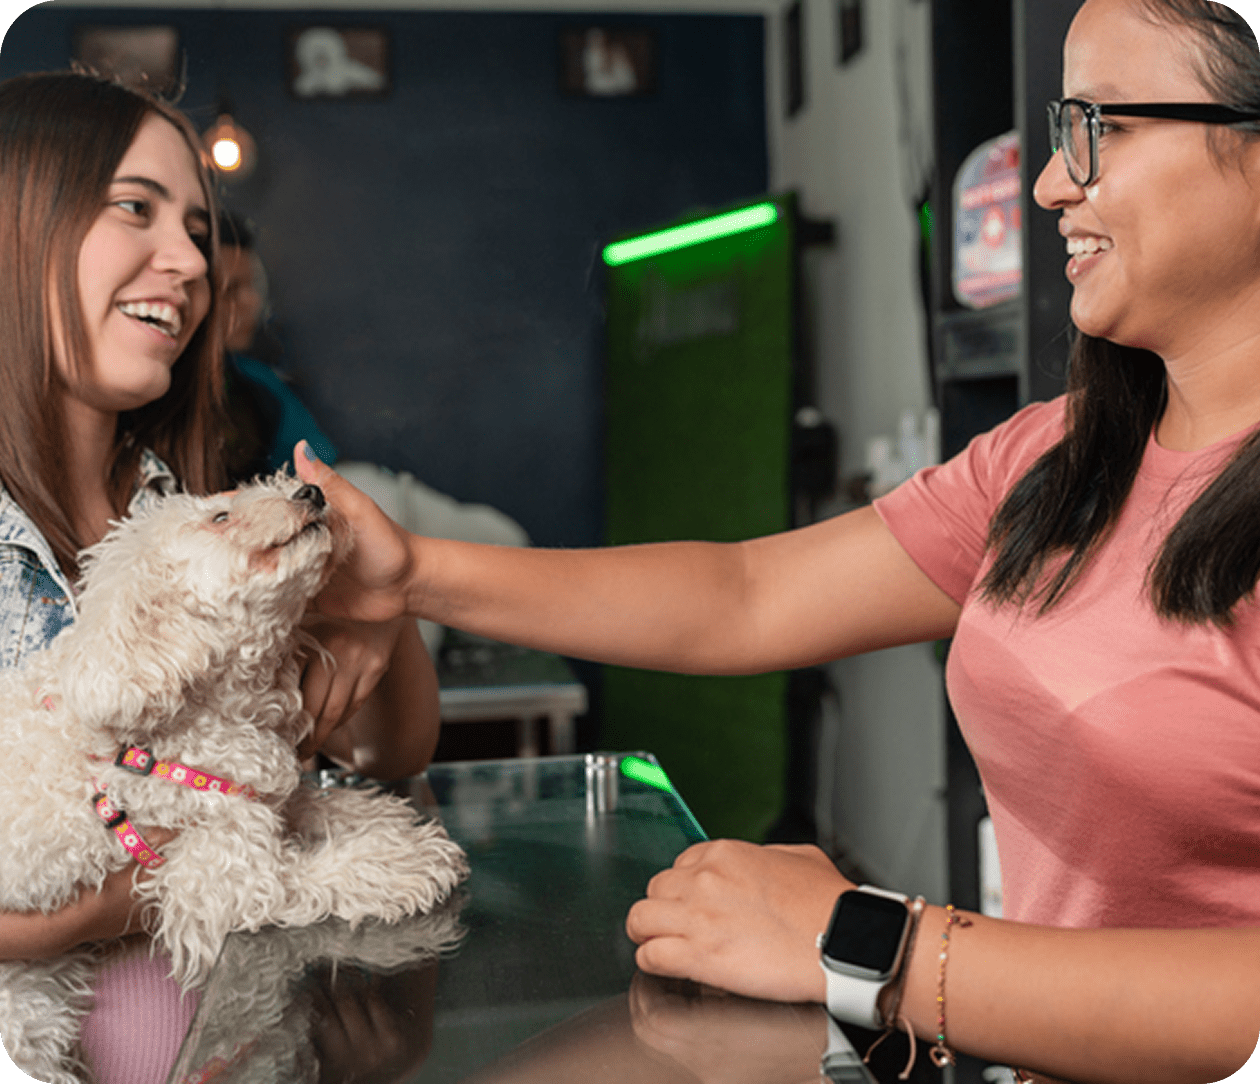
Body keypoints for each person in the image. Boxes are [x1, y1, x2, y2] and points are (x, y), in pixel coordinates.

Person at [291, 0, 1260, 1080]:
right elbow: (746, 593)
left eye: (1102, 126)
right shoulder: (1056, 455)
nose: (1045, 183)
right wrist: (414, 572)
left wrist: (872, 946)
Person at [0, 70, 440, 1084]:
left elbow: (392, 743)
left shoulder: (190, 513)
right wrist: (176, 868)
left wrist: (389, 595)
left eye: (197, 227)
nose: (190, 261)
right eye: (135, 208)